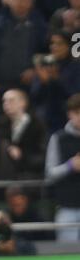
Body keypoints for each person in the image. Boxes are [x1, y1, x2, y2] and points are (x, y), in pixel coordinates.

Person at [45, 93, 80, 242]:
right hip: (67, 206)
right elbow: (50, 174)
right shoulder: (58, 138)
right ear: (69, 114)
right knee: (66, 254)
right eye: (77, 113)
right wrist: (70, 166)